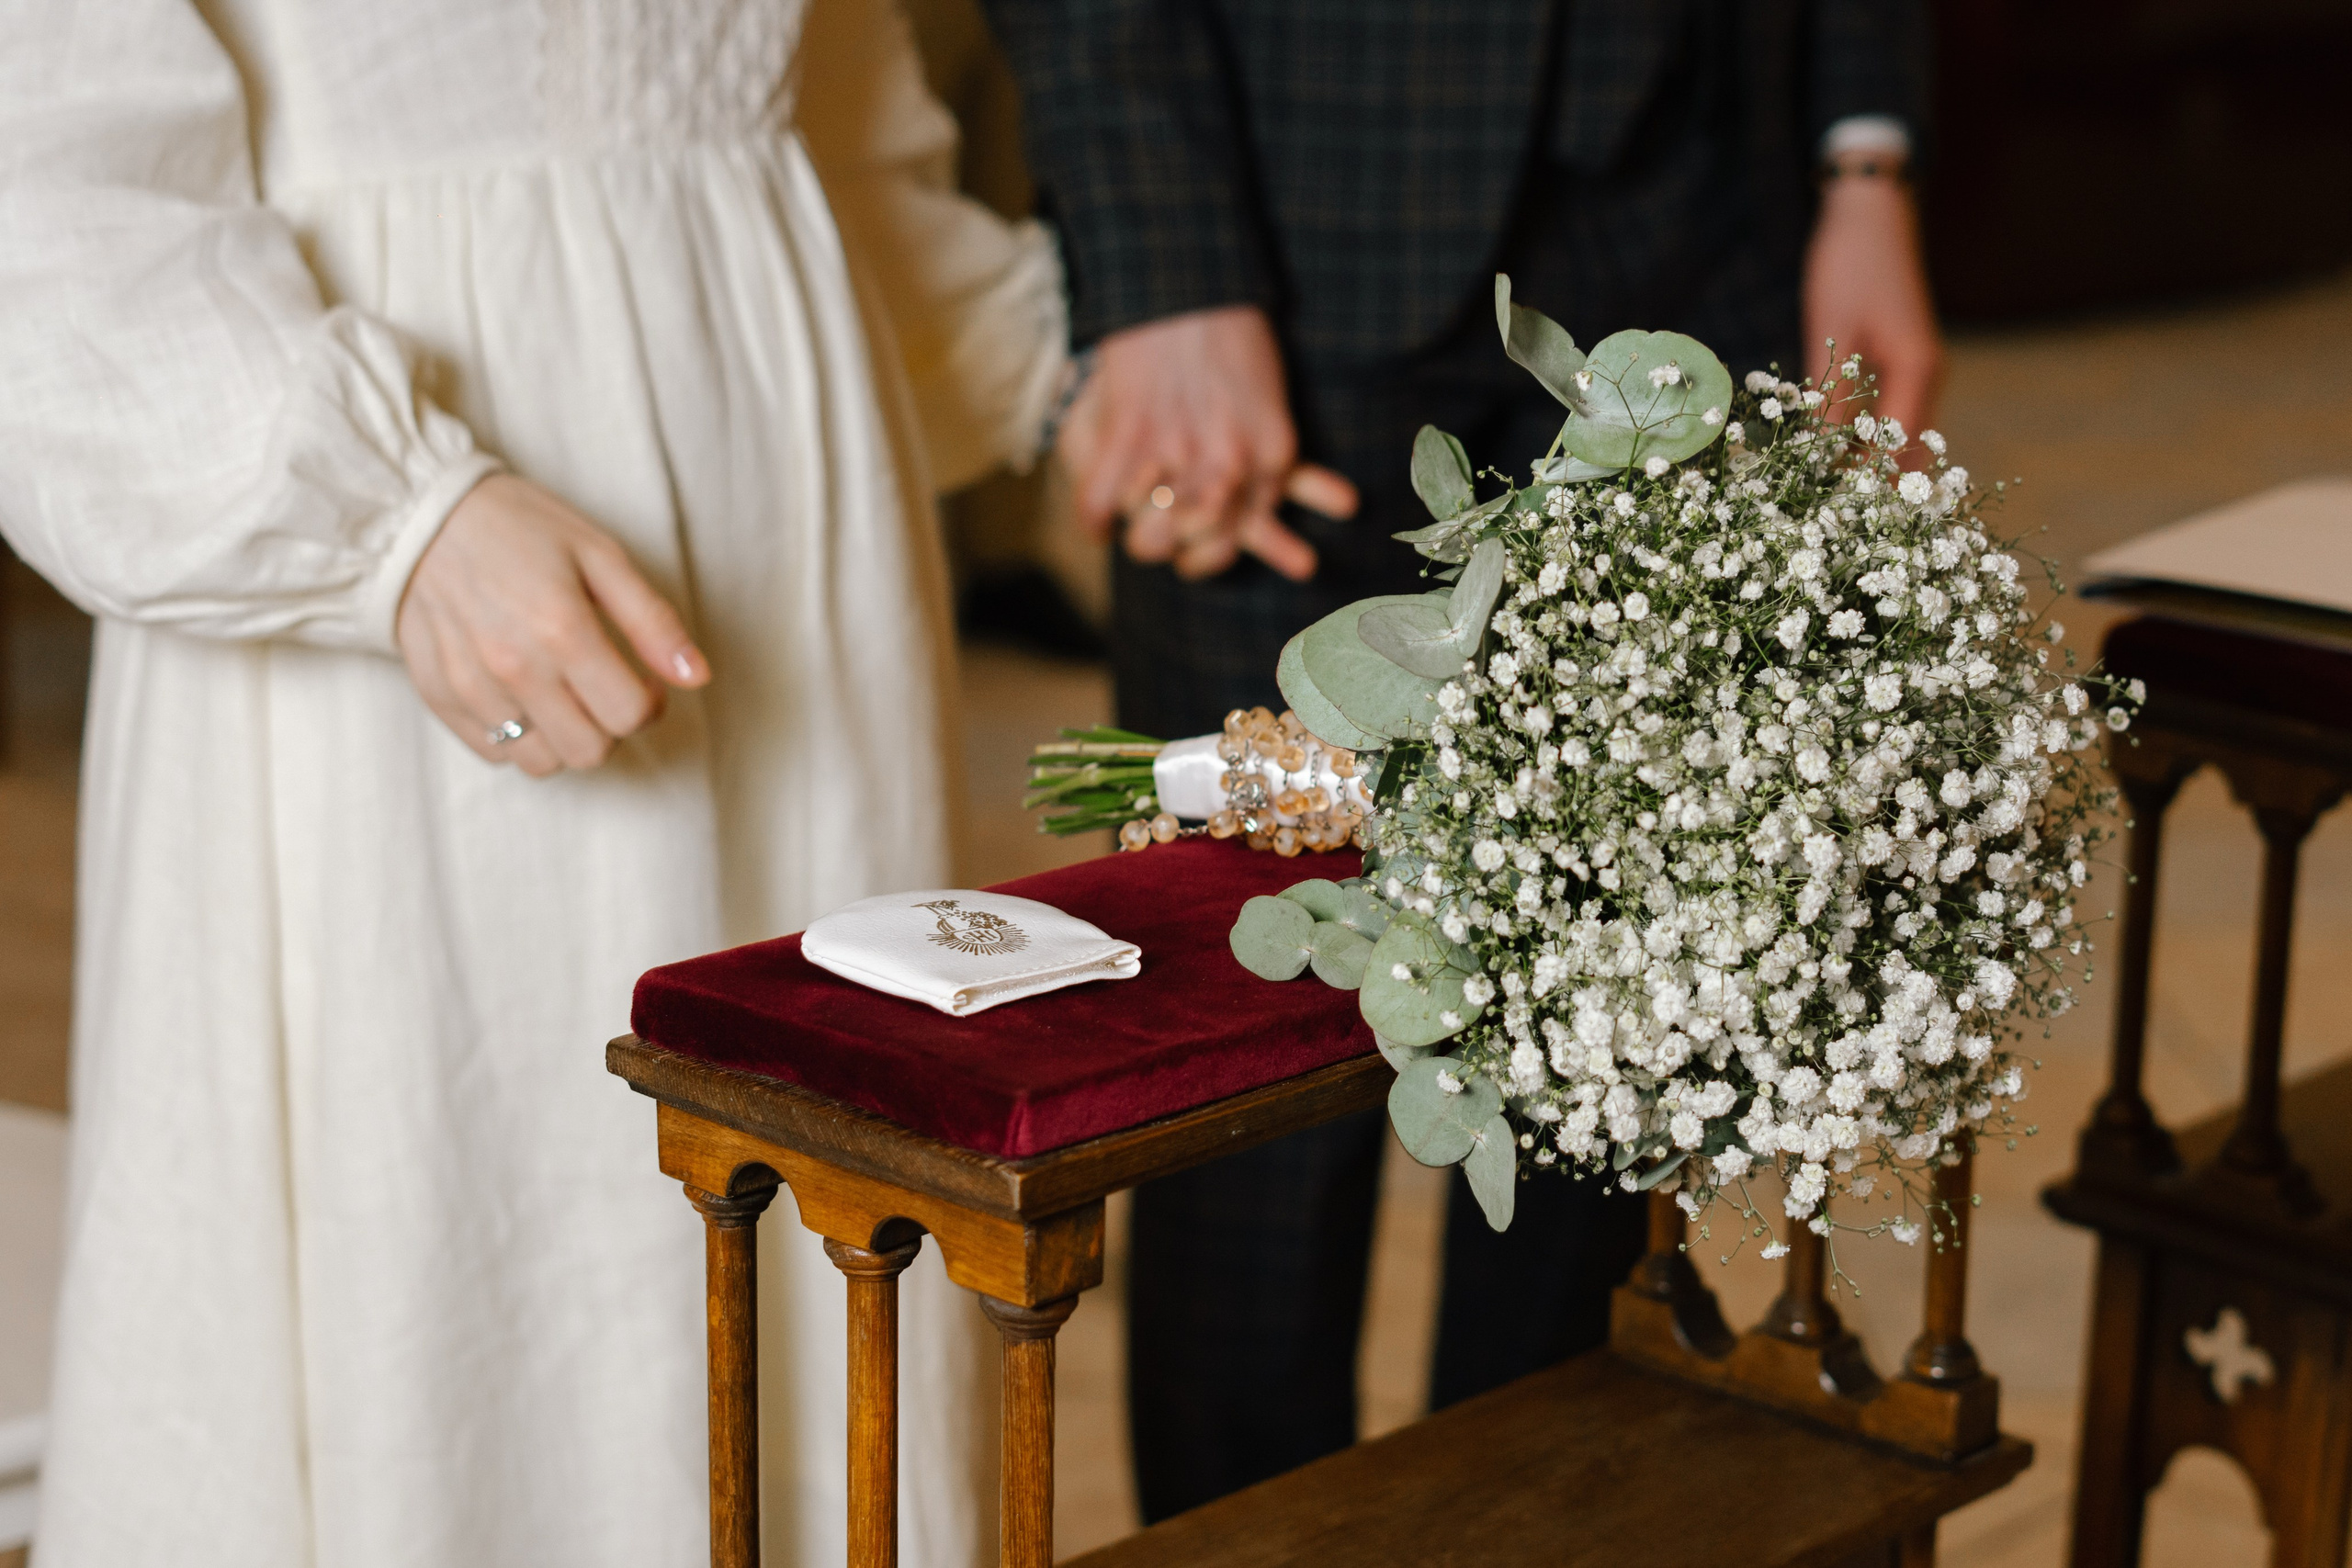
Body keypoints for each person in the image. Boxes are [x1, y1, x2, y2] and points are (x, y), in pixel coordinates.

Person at [0, 1, 1064, 1562]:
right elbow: (40, 156)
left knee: (811, 1230)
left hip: (786, 498)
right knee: (465, 1220)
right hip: (397, 527)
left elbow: (830, 107)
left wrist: (1050, 363)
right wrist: (391, 518)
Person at [982, 0, 1943, 1522]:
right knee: (1248, 1065)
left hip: (1702, 234)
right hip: (1290, 246)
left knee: (1616, 1045)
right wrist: (1166, 269)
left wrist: (1861, 159)